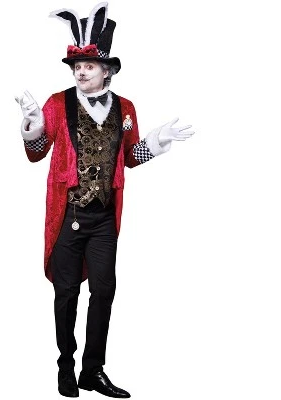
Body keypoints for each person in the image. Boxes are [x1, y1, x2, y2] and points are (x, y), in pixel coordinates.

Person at [15, 2, 194, 398]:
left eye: (89, 66)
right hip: (68, 215)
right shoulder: (57, 103)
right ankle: (65, 367)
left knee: (104, 292)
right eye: (76, 66)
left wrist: (157, 142)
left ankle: (92, 370)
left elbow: (129, 157)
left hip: (104, 219)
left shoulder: (125, 108)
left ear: (107, 70)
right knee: (66, 293)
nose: (81, 71)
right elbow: (37, 153)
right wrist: (32, 127)